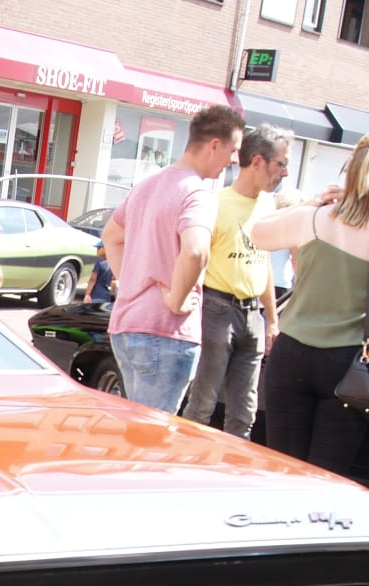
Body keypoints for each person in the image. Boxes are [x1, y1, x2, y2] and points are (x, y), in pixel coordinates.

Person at [250, 131, 369, 475]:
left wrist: (310, 203)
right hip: (350, 361)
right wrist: (359, 198)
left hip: (292, 352)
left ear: (349, 169)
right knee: (326, 476)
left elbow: (258, 232)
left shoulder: (312, 218)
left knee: (283, 469)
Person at [100, 104, 246, 414]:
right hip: (165, 331)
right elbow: (196, 250)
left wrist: (130, 283)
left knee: (137, 430)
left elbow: (111, 236)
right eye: (233, 150)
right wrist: (177, 300)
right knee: (150, 438)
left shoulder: (146, 185)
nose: (234, 160)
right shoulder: (197, 194)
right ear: (214, 145)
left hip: (128, 324)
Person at [180, 123, 291, 440]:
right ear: (257, 161)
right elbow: (194, 256)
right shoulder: (217, 203)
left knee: (245, 413)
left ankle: (230, 476)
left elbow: (265, 260)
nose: (283, 172)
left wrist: (271, 319)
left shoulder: (267, 205)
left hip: (253, 312)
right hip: (217, 307)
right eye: (280, 163)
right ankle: (185, 470)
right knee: (202, 404)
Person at [267, 187, 303, 298]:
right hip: (280, 282)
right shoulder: (293, 229)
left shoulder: (267, 223)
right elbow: (295, 260)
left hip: (262, 280)